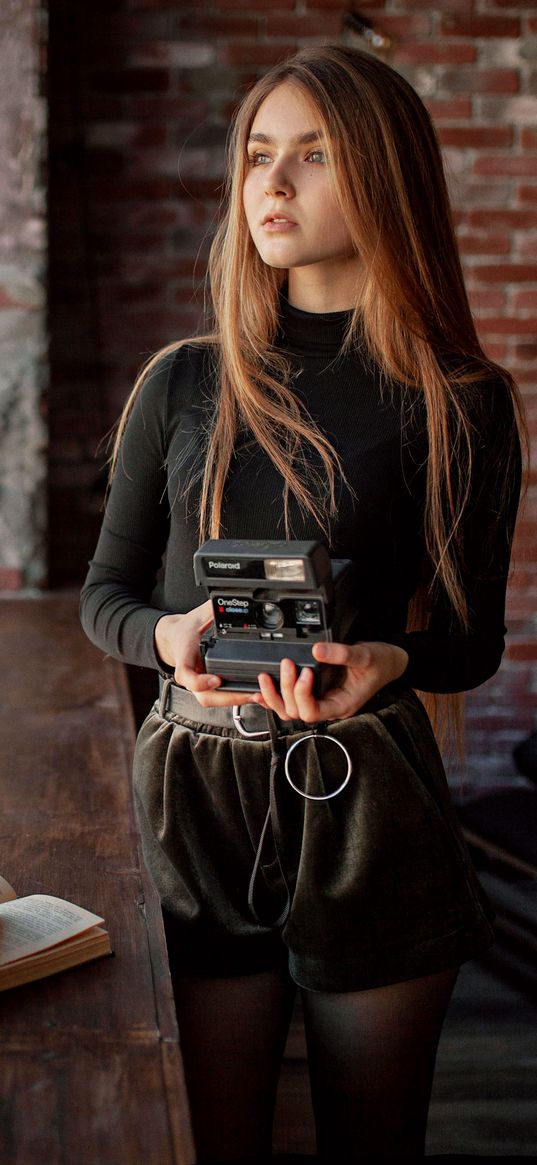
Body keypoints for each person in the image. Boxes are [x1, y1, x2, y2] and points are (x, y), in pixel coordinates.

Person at [80, 44, 523, 1164]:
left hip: (367, 797)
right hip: (194, 798)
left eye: (313, 156)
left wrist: (386, 659)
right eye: (258, 155)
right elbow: (106, 595)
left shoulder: (461, 398)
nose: (271, 184)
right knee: (210, 1142)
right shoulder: (182, 379)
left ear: (387, 175)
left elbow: (468, 645)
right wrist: (166, 637)